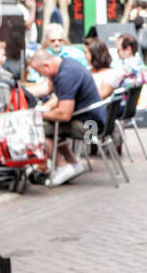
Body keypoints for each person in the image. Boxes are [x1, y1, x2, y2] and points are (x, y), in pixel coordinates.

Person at [28, 48, 105, 186]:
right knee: (50, 124)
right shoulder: (68, 64)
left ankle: (62, 166)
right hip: (95, 120)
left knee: (38, 128)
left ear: (46, 66)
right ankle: (73, 163)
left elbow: (64, 115)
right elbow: (55, 94)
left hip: (90, 127)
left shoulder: (65, 76)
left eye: (41, 72)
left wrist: (39, 114)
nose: (43, 76)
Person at [85, 34, 121, 99]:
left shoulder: (110, 74)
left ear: (95, 54)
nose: (84, 56)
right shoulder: (86, 70)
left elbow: (102, 95)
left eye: (86, 52)